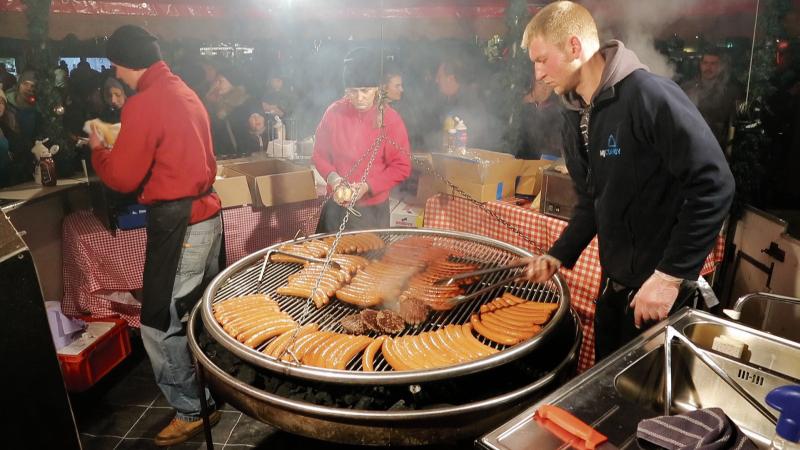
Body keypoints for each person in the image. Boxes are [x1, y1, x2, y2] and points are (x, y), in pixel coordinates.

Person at [519, 1, 735, 361]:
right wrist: (559, 254)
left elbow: (714, 185)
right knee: (610, 393)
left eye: (542, 59)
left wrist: (668, 277)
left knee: (646, 409)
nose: (538, 74)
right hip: (615, 287)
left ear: (574, 47)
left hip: (661, 295)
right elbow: (592, 197)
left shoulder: (649, 95)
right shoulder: (574, 113)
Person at [88, 25, 223, 446]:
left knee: (158, 322)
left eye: (115, 65)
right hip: (208, 214)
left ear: (127, 62)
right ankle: (213, 391)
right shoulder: (184, 89)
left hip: (179, 223)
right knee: (199, 313)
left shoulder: (144, 102)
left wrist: (97, 146)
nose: (116, 73)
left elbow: (122, 177)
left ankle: (190, 409)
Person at [312, 47, 411, 233]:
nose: (359, 97)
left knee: (372, 261)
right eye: (353, 91)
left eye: (365, 90)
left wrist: (368, 186)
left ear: (377, 88)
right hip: (335, 208)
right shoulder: (334, 113)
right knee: (325, 259)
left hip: (373, 212)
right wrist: (334, 180)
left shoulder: (390, 119)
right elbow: (319, 154)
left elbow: (401, 166)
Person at [681, 48, 744, 148]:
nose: (708, 67)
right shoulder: (687, 88)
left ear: (720, 66)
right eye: (705, 63)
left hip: (718, 146)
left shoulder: (730, 92)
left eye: (713, 63)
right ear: (700, 65)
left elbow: (733, 123)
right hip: (689, 144)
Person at [517, 79, 564, 160]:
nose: (544, 88)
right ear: (532, 83)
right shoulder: (518, 106)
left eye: (548, 84)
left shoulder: (555, 110)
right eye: (540, 83)